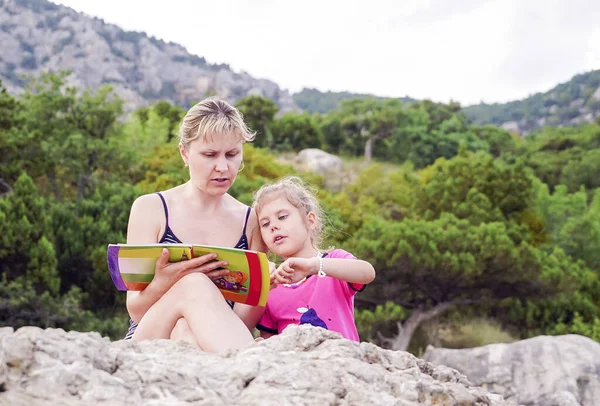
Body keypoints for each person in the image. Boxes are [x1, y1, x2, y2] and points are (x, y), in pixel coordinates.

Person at [123, 98, 267, 352]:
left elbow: (245, 321)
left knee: (187, 333)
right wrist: (167, 281)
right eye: (210, 155)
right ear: (184, 153)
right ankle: (256, 366)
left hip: (214, 344)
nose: (223, 167)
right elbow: (135, 311)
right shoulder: (150, 209)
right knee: (193, 283)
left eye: (232, 154)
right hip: (148, 340)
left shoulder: (252, 221)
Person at [253, 176, 375, 341]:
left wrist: (314, 266)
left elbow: (367, 273)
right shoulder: (271, 287)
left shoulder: (334, 262)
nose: (273, 226)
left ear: (310, 221)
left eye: (282, 217)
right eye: (265, 224)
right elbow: (270, 341)